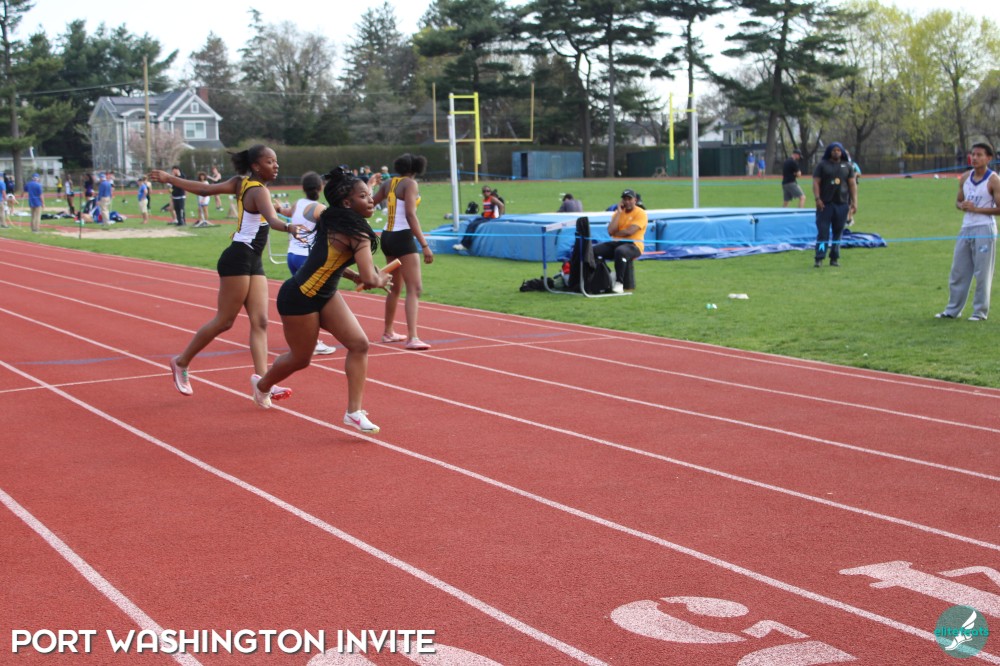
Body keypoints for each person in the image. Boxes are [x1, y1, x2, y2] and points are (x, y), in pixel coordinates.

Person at [149, 144, 305, 399]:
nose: (276, 165)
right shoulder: (256, 190)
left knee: (261, 321)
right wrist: (289, 227)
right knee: (225, 321)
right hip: (238, 258)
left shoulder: (241, 184)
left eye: (276, 161)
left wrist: (170, 178)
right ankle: (181, 361)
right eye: (270, 161)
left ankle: (262, 382)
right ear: (256, 166)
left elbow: (205, 189)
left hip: (252, 260)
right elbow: (273, 221)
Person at [251, 166, 393, 432]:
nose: (371, 200)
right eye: (364, 196)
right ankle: (262, 384)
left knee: (359, 344)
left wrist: (354, 276)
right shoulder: (356, 232)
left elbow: (331, 261)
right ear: (347, 202)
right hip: (299, 298)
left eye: (370, 194)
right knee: (301, 359)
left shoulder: (334, 219)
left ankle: (354, 412)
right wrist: (379, 279)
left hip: (325, 294)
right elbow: (371, 278)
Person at [371, 153, 434, 350]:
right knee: (414, 288)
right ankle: (412, 337)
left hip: (387, 236)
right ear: (416, 169)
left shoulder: (388, 183)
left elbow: (370, 204)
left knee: (395, 288)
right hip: (403, 236)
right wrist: (424, 245)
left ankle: (388, 332)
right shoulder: (410, 184)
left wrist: (369, 186)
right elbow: (410, 214)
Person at [274, 171, 337, 356]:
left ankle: (305, 340)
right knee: (313, 301)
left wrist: (279, 209)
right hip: (307, 258)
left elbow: (287, 213)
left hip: (292, 255)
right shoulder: (320, 208)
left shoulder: (298, 203)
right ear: (320, 187)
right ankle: (312, 342)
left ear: (303, 188)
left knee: (304, 299)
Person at [935, 142, 1000, 322]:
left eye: (979, 155)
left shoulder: (993, 180)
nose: (975, 158)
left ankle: (979, 312)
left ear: (988, 158)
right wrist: (962, 205)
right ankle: (952, 310)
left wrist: (976, 209)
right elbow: (958, 201)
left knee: (982, 272)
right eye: (973, 154)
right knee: (958, 270)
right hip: (966, 228)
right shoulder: (964, 177)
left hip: (984, 229)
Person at [593, 189, 648, 293]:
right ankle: (608, 275)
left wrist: (616, 233)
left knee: (620, 251)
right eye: (625, 199)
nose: (627, 202)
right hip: (617, 243)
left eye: (629, 199)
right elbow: (610, 231)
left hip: (634, 245)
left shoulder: (640, 213)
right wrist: (618, 212)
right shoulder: (617, 213)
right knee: (594, 251)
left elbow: (630, 231)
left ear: (635, 200)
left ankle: (619, 282)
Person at [812, 142, 857, 268]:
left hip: (842, 205)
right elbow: (816, 183)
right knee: (823, 234)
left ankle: (834, 257)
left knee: (838, 234)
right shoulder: (822, 165)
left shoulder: (847, 166)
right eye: (834, 150)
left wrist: (854, 202)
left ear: (841, 152)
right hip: (824, 205)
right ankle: (819, 257)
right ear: (830, 152)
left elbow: (852, 185)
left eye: (838, 150)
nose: (836, 152)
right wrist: (817, 199)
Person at [452, 185, 505, 253]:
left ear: (490, 192)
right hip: (485, 217)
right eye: (484, 191)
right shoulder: (485, 200)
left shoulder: (492, 199)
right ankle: (464, 243)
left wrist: (499, 217)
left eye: (488, 191)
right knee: (471, 224)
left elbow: (501, 205)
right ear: (482, 193)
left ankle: (465, 244)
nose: (486, 193)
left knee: (473, 225)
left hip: (490, 218)